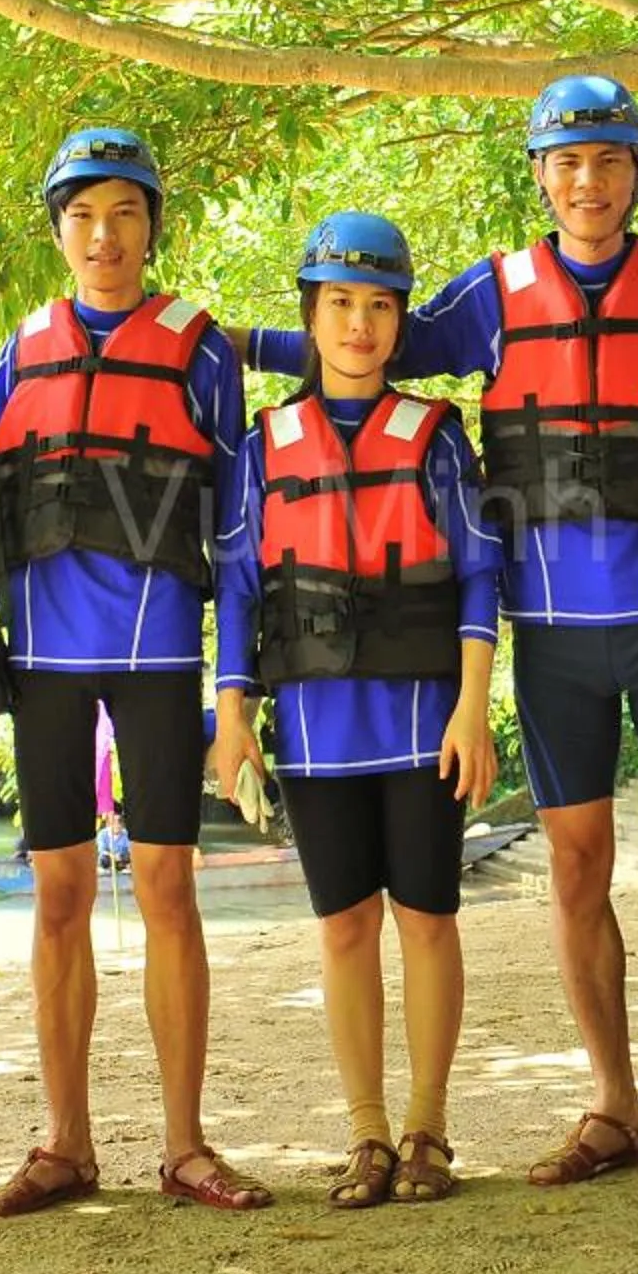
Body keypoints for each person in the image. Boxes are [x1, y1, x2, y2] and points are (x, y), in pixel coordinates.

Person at [248, 75, 638, 1199]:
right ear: (538, 173)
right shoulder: (495, 293)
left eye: (610, 161)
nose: (588, 182)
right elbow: (376, 337)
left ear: (635, 172)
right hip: (553, 634)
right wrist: (243, 341)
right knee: (576, 869)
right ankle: (614, 1104)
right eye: (568, 163)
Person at [0, 128, 267, 1213]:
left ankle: (186, 1143)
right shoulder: (23, 344)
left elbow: (238, 535)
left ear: (152, 227)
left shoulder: (200, 349)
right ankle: (65, 1143)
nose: (105, 235)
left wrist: (235, 699)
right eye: (83, 215)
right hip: (42, 662)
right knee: (56, 895)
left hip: (155, 659)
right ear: (58, 233)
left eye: (126, 213)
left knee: (167, 886)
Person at [214, 214, 502, 1206]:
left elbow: (475, 575)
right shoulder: (262, 447)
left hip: (425, 723)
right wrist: (233, 714)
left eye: (380, 307)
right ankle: (367, 1134)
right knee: (343, 927)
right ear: (312, 314)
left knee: (426, 919)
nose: (360, 324)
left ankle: (428, 1125)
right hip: (318, 726)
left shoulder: (434, 436)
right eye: (340, 304)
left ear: (398, 322)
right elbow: (243, 589)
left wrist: (475, 709)